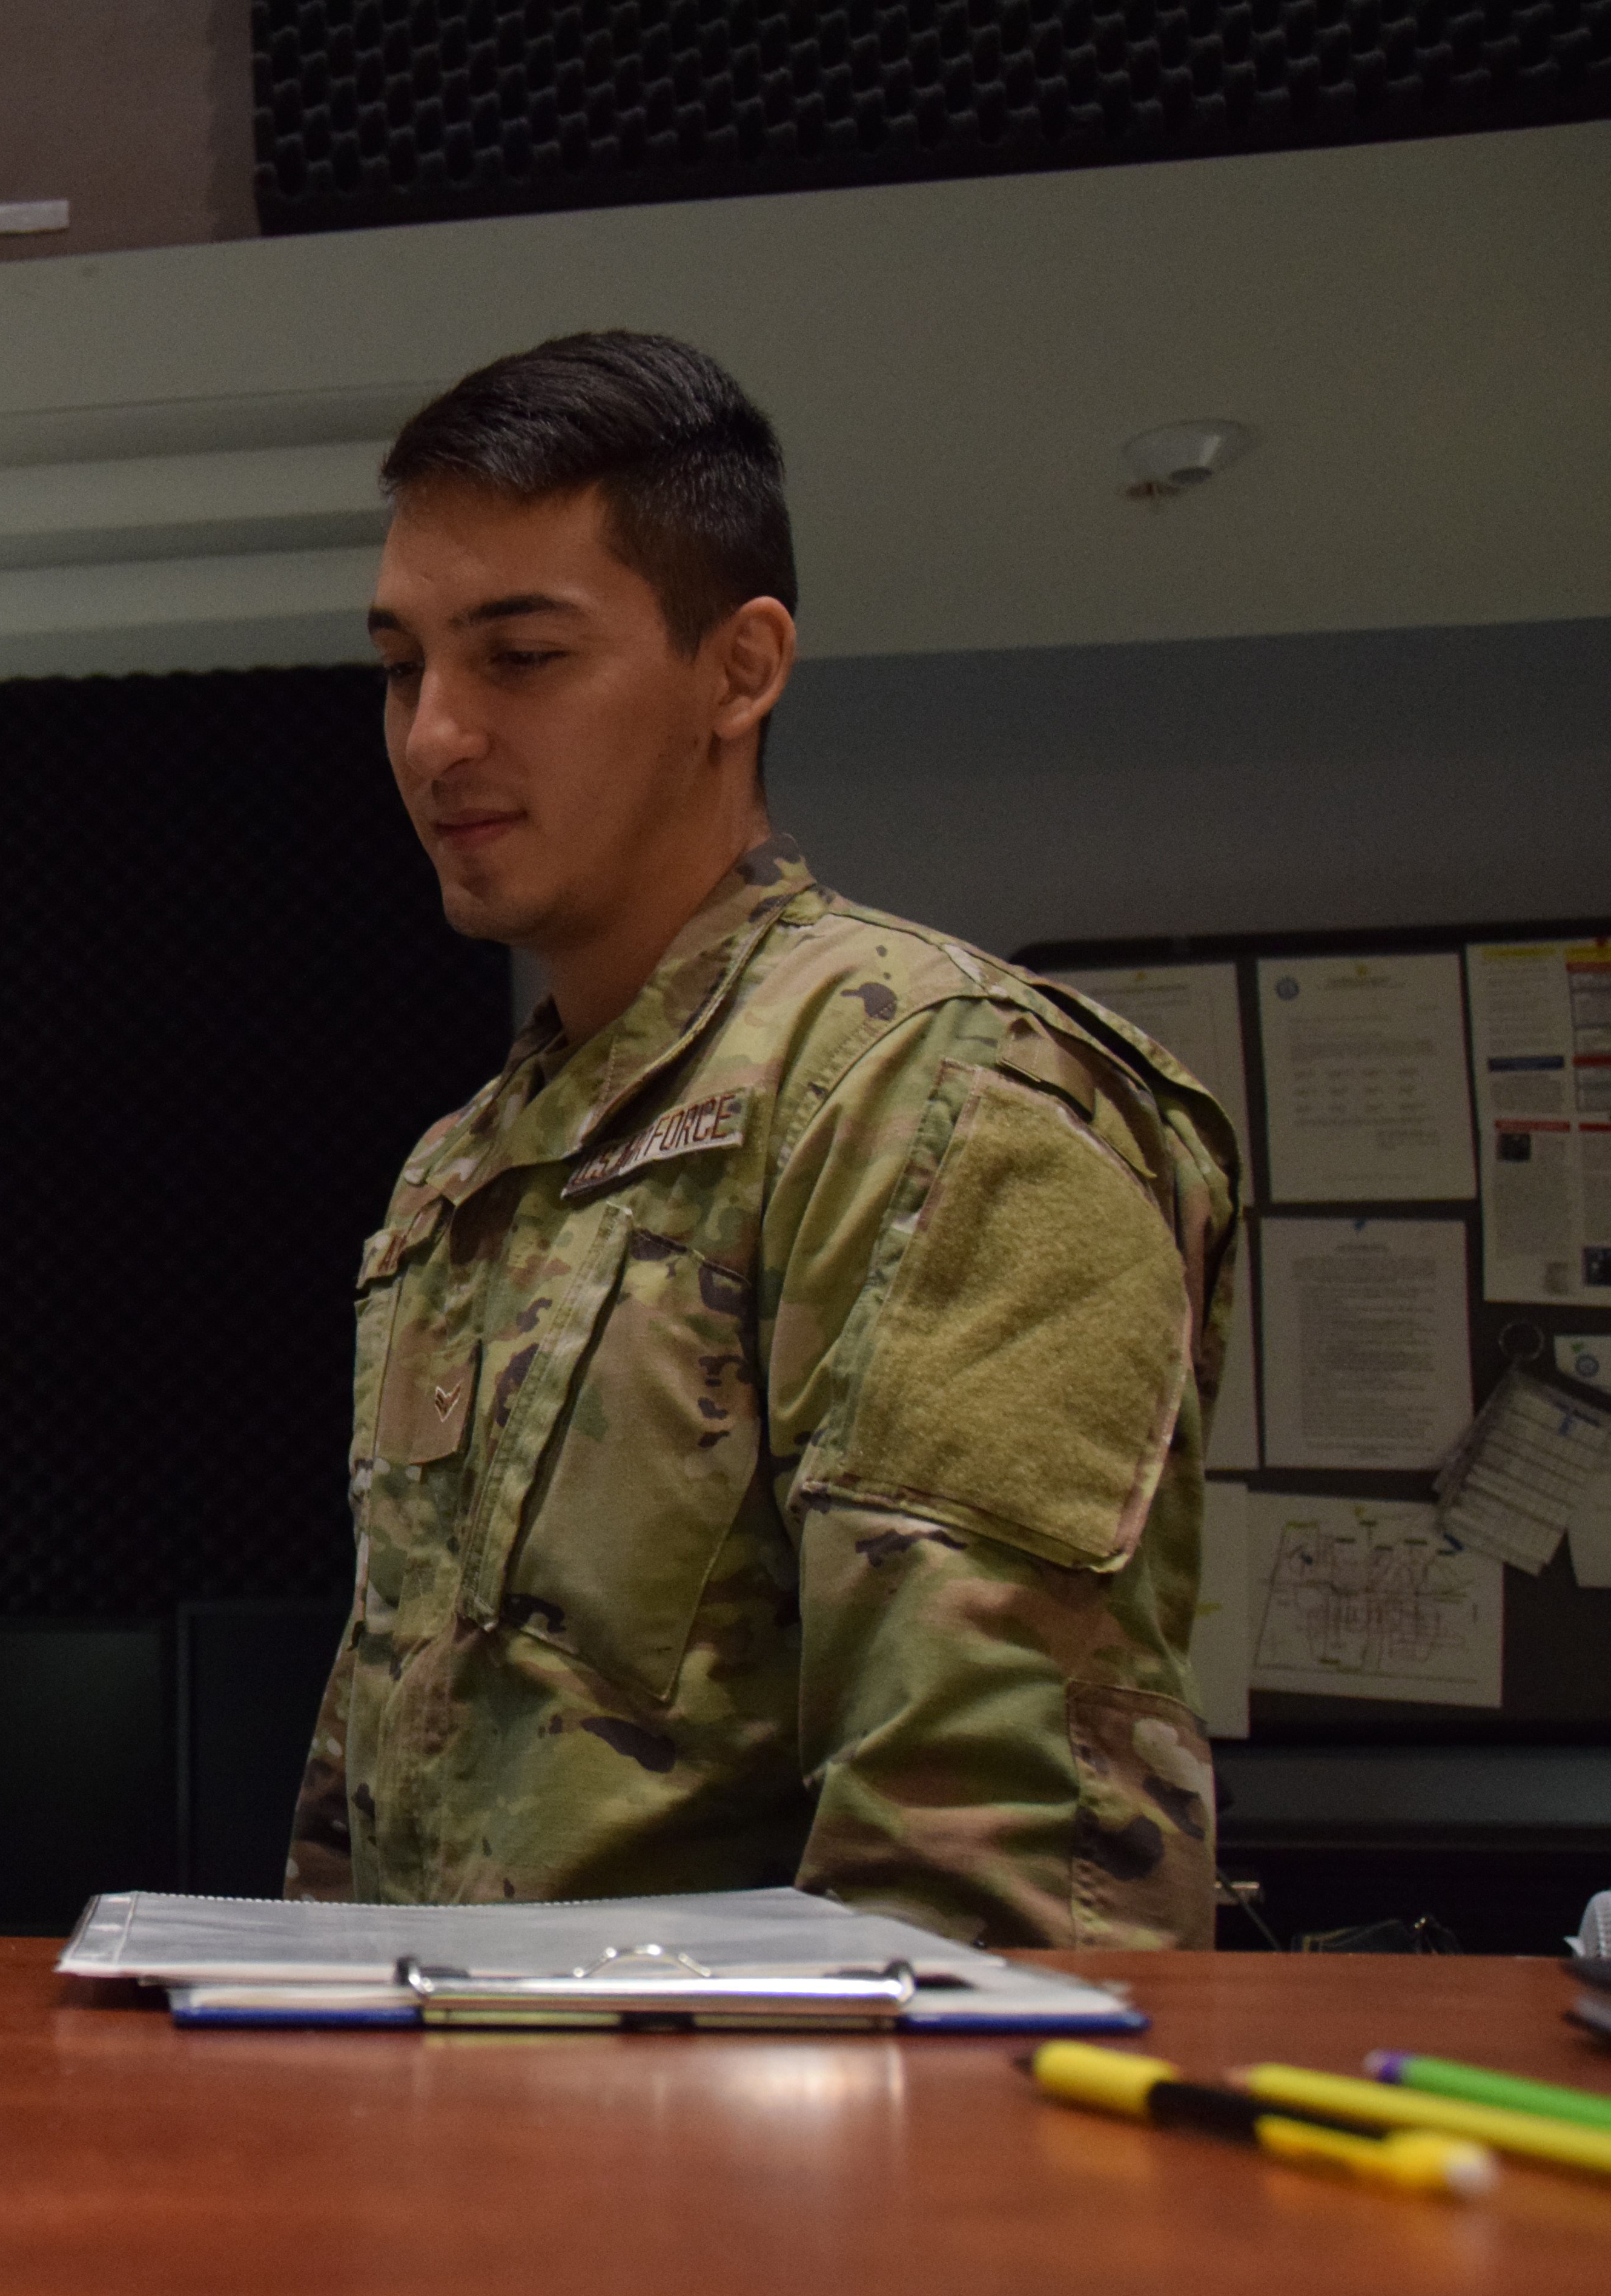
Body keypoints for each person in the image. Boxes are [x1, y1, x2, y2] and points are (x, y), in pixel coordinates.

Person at [286, 332, 1242, 1949]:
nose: (436, 735)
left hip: (759, 2177)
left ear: (740, 670)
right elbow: (386, 1778)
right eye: (404, 665)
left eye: (519, 657)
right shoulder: (470, 1166)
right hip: (452, 2144)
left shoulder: (941, 1092)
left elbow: (998, 1879)